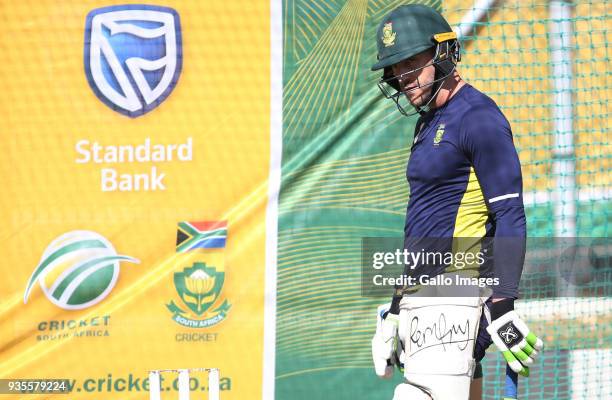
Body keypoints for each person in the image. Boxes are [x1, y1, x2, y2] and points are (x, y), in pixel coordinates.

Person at [369, 4, 543, 400]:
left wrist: (502, 306)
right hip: (425, 295)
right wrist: (397, 306)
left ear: (444, 54)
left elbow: (510, 215)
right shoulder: (427, 122)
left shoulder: (479, 117)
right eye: (396, 71)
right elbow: (422, 224)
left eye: (411, 64)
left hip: (456, 290)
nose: (403, 79)